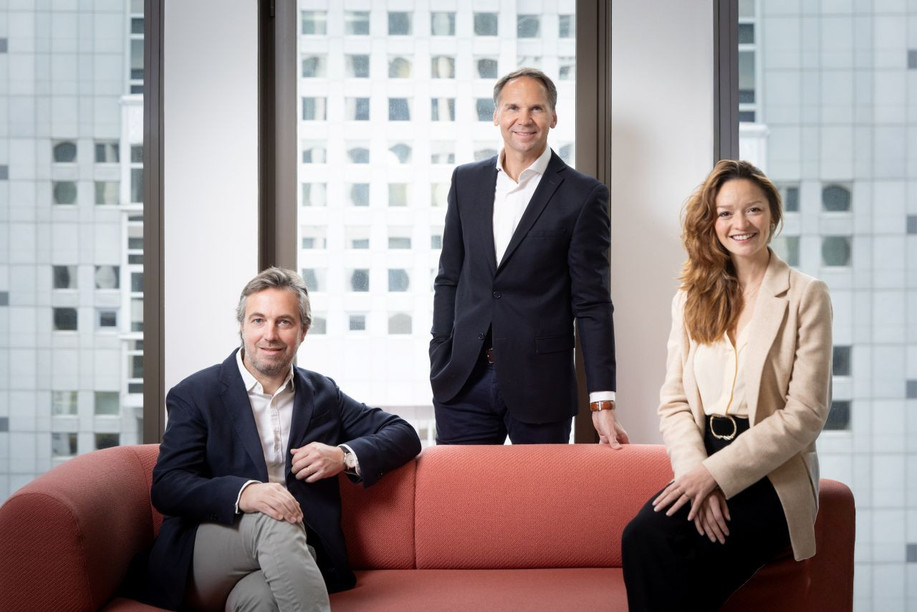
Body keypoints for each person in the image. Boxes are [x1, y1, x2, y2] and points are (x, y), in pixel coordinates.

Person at [621, 160, 833, 610]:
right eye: (725, 213)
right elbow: (674, 402)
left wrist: (718, 477)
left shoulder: (806, 295)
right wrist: (698, 475)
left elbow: (806, 415)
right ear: (711, 222)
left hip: (774, 475)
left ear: (772, 216)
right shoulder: (691, 297)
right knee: (641, 535)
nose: (740, 224)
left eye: (753, 210)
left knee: (686, 562)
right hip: (701, 459)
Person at [145, 267, 422, 611]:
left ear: (303, 331)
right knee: (274, 519)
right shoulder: (196, 394)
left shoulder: (323, 394)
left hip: (289, 558)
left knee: (265, 603)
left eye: (284, 322)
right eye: (258, 320)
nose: (270, 335)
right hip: (209, 551)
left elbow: (403, 434)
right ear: (243, 327)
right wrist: (246, 493)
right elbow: (168, 486)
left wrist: (342, 456)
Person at [429, 67, 628, 447]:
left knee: (539, 505)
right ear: (496, 116)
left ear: (553, 117)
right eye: (513, 108)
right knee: (461, 503)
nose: (524, 119)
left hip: (541, 385)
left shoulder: (583, 195)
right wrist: (441, 347)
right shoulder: (466, 181)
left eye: (536, 109)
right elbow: (449, 276)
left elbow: (592, 303)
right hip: (462, 380)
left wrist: (602, 402)